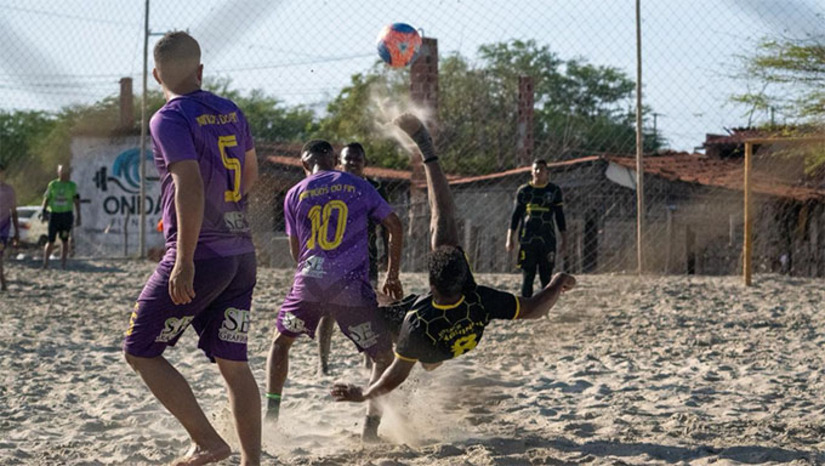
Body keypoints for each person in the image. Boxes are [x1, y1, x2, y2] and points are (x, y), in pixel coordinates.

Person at [331, 113, 576, 412]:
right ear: (466, 275)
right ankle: (426, 145)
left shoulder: (417, 321)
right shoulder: (480, 298)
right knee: (444, 223)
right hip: (457, 335)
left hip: (428, 343)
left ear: (431, 285)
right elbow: (535, 308)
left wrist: (364, 394)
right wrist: (558, 280)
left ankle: (372, 424)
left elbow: (395, 375)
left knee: (375, 322)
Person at [121, 31, 261, 466]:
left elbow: (189, 182)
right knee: (234, 366)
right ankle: (251, 463)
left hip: (201, 255)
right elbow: (250, 175)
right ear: (200, 71)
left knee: (139, 350)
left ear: (155, 74)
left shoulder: (168, 117)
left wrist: (182, 258)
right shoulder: (231, 111)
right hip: (242, 256)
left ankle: (208, 442)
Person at [265, 139, 404, 442]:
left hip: (310, 282)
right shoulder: (358, 185)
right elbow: (395, 225)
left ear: (304, 164)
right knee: (384, 357)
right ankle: (369, 432)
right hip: (350, 288)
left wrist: (310, 277)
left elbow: (296, 251)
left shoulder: (293, 194)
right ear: (334, 160)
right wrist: (392, 275)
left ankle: (271, 419)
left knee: (280, 342)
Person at [316, 142, 390, 375]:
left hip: (366, 258)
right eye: (348, 159)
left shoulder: (375, 188)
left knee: (369, 309)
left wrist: (387, 255)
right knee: (327, 311)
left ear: (365, 163)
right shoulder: (329, 187)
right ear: (340, 162)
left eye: (358, 160)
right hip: (334, 259)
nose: (353, 163)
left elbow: (387, 224)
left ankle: (370, 360)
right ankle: (323, 363)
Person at [505, 159, 568, 297]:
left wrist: (564, 239)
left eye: (542, 169)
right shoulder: (524, 191)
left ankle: (545, 309)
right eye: (536, 169)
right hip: (527, 239)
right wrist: (510, 238)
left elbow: (560, 216)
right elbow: (515, 216)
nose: (538, 172)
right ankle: (527, 308)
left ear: (547, 172)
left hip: (547, 239)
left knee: (546, 277)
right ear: (531, 172)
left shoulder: (554, 191)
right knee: (528, 276)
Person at [40, 164, 81, 269]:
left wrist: (79, 215)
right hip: (54, 215)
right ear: (58, 172)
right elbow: (47, 198)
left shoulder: (72, 185)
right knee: (51, 240)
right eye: (62, 172)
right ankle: (45, 263)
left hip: (66, 215)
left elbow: (76, 200)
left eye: (66, 172)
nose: (64, 174)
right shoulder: (53, 184)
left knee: (65, 239)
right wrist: (43, 211)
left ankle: (63, 263)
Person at [0, 164, 20, 291]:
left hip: (3, 228)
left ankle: (3, 283)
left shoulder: (9, 190)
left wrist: (17, 232)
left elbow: (14, 211)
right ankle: (3, 283)